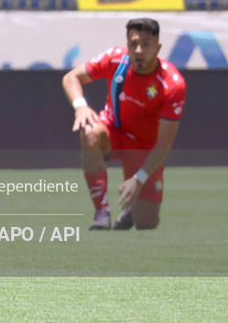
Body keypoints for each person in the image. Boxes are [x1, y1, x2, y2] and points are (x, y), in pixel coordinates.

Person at [62, 18, 186, 231]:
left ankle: (131, 212)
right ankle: (102, 211)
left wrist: (139, 179)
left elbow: (164, 143)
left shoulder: (173, 84)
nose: (138, 50)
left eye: (146, 44)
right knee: (89, 130)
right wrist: (80, 106)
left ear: (158, 48)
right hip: (114, 133)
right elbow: (71, 78)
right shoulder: (115, 59)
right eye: (133, 43)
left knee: (146, 224)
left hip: (145, 147)